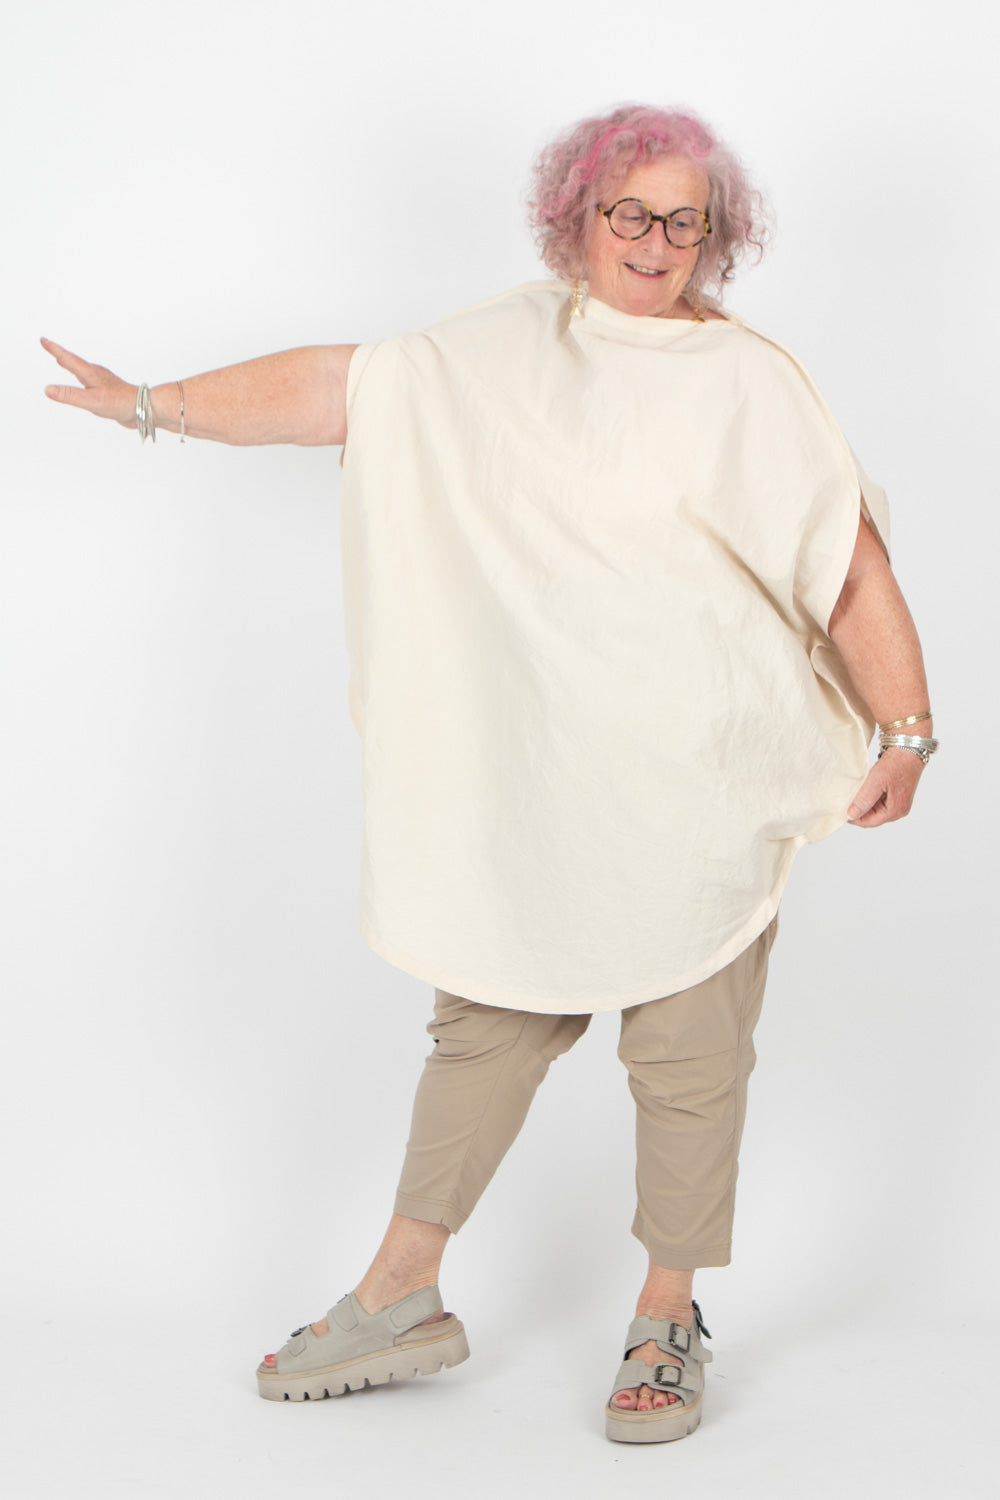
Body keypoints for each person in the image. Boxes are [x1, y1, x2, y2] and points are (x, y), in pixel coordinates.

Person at [41, 104, 935, 1444]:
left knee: (690, 1056)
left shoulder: (750, 383)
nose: (653, 240)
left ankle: (667, 1316)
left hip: (700, 779)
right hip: (541, 779)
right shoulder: (504, 346)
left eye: (682, 220)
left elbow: (846, 560)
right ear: (577, 217)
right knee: (486, 1029)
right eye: (628, 212)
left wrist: (906, 729)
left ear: (715, 238)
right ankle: (401, 1291)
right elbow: (340, 388)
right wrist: (151, 405)